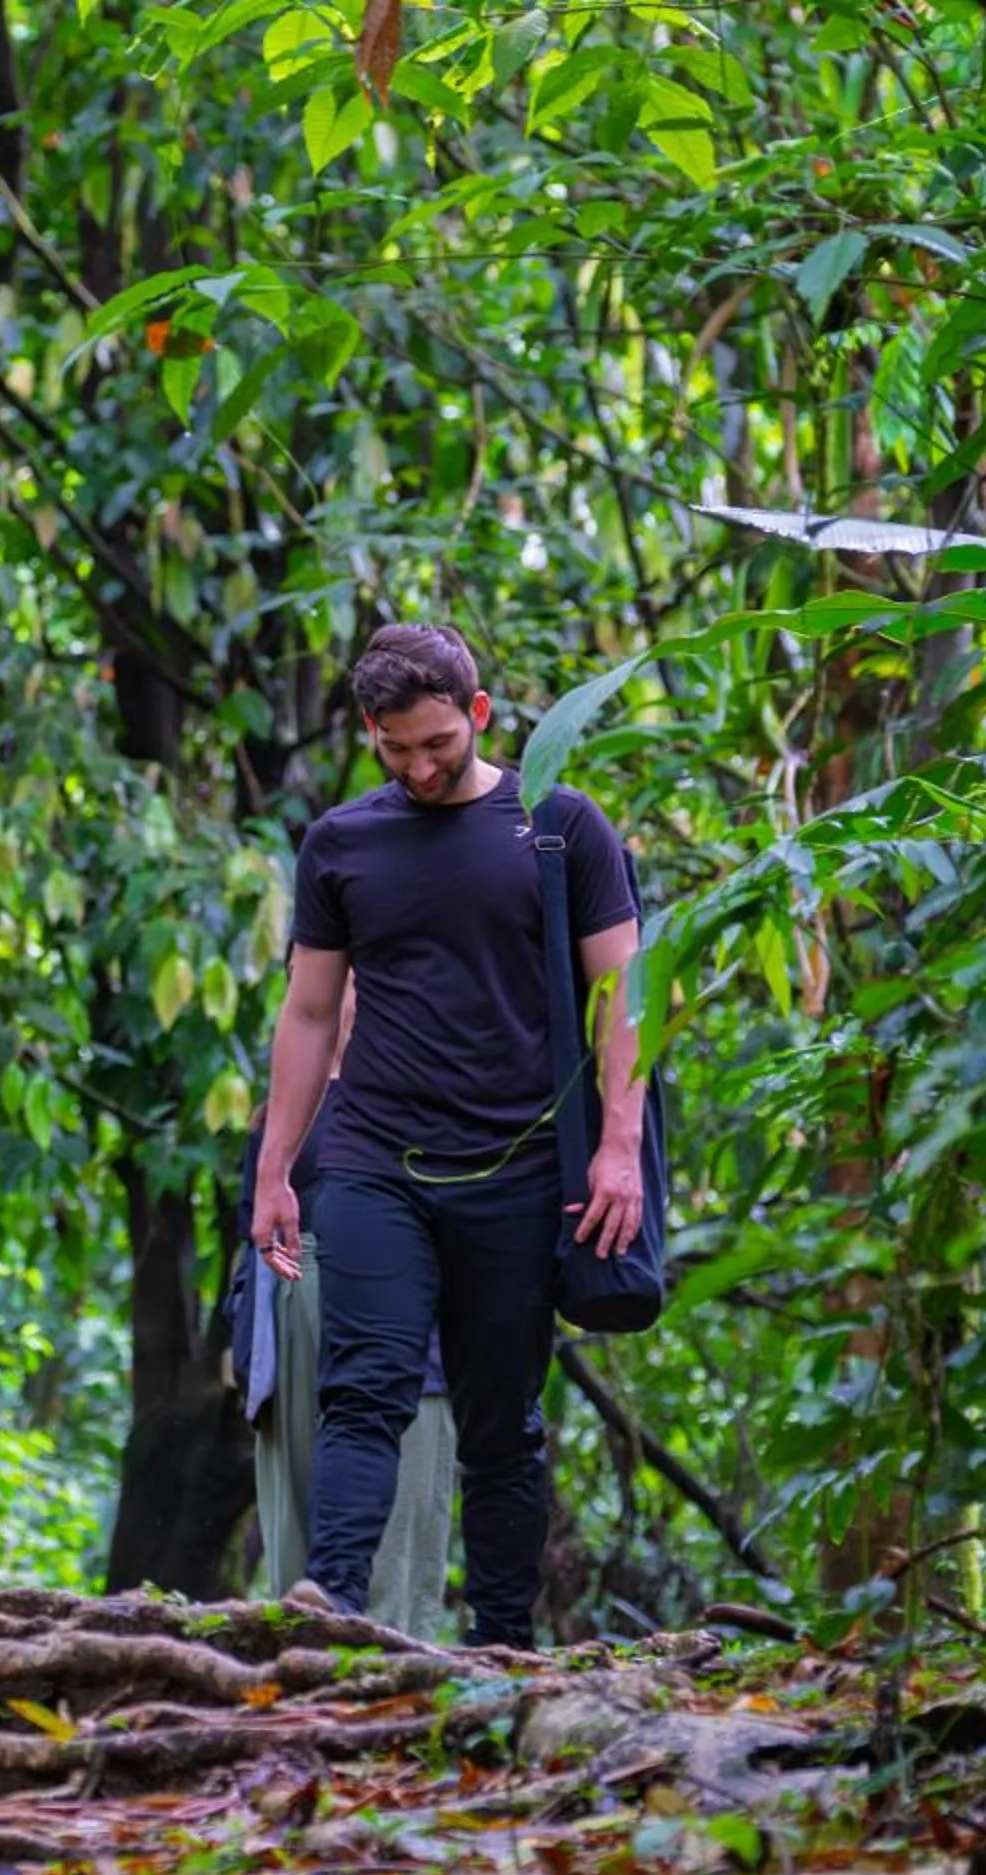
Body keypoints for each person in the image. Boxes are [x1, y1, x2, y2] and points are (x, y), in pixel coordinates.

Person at [252, 623, 645, 1649]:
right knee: (364, 1384)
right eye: (396, 750)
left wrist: (619, 1148)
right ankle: (334, 1604)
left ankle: (503, 1645)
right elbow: (309, 1012)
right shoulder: (342, 843)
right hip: (375, 1156)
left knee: (501, 1423)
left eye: (437, 744)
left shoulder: (561, 825)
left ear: (478, 713)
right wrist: (276, 1168)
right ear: (369, 732)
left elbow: (627, 997)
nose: (420, 769)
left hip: (520, 1167)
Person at [228, 973, 456, 1639]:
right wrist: (244, 1344)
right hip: (289, 1323)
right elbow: (249, 1231)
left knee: (395, 1542)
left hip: (399, 1331)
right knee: (299, 1551)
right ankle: (297, 1677)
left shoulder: (423, 1090)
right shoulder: (276, 1115)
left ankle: (392, 1672)